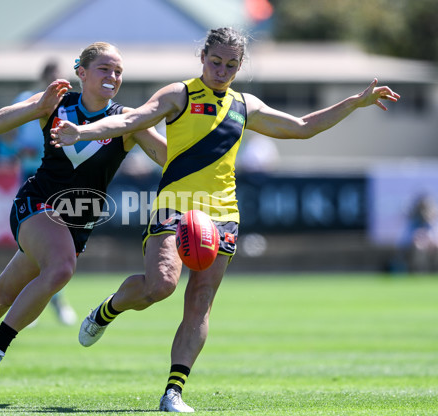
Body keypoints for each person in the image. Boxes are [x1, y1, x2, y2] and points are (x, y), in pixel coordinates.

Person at [50, 27, 400, 412]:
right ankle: (107, 309)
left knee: (200, 299)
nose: (221, 71)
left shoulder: (244, 105)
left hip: (223, 213)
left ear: (239, 67)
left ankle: (173, 392)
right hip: (177, 203)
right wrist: (81, 131)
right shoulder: (177, 95)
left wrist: (354, 102)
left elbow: (302, 128)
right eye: (215, 62)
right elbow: (129, 121)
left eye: (231, 65)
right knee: (161, 285)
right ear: (202, 57)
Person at [0, 42, 167, 392]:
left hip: (77, 223)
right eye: (104, 69)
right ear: (81, 72)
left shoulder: (127, 120)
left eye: (118, 71)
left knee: (4, 294)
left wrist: (203, 152)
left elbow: (168, 157)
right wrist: (39, 105)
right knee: (62, 268)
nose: (113, 76)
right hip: (36, 204)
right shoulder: (58, 103)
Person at [11, 60, 78, 326]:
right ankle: (36, 302)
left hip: (57, 179)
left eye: (60, 77)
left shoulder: (72, 106)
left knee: (56, 249)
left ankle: (48, 302)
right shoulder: (27, 100)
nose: (56, 82)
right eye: (52, 77)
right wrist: (18, 148)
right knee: (33, 245)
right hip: (30, 176)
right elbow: (7, 132)